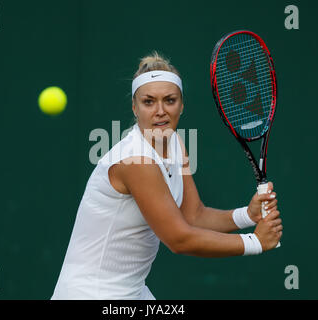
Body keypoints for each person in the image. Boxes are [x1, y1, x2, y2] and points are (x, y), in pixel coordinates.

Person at [51, 51, 282, 300]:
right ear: (134, 107)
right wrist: (255, 242)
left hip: (131, 292)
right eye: (148, 102)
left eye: (169, 100)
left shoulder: (174, 143)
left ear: (181, 105)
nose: (160, 111)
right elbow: (179, 239)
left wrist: (246, 216)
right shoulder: (136, 161)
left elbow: (193, 215)